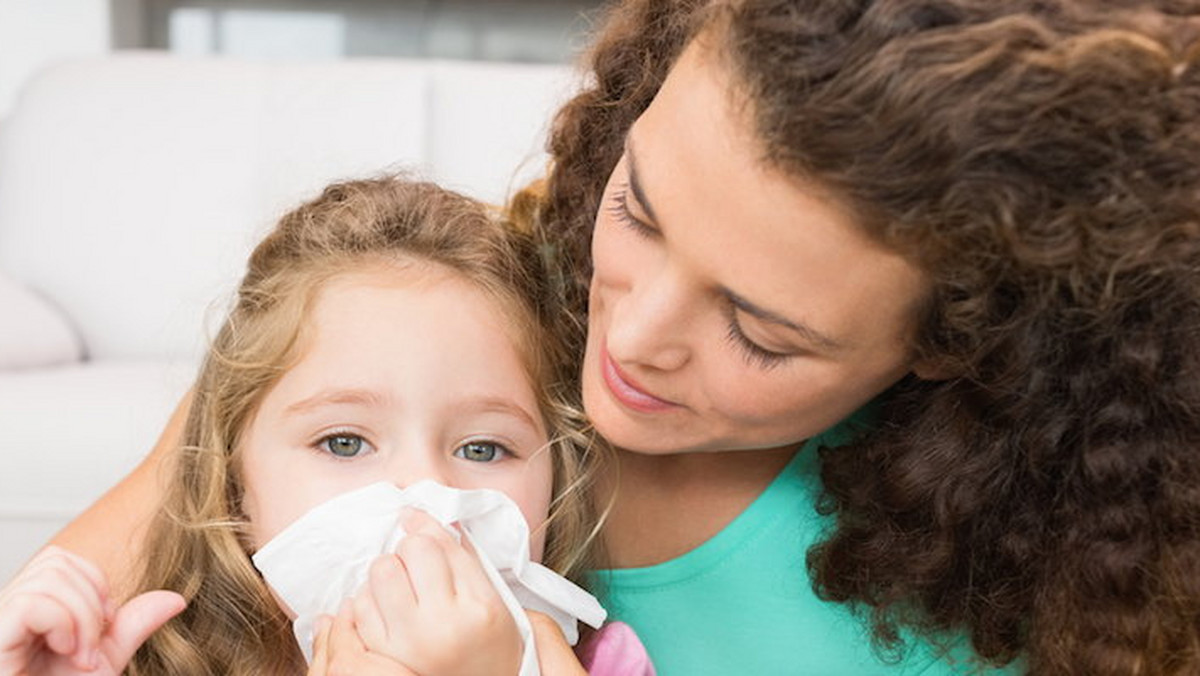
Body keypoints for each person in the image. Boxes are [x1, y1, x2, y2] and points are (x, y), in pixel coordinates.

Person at [17, 0, 1200, 673]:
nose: (627, 332)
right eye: (639, 205)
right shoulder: (482, 298)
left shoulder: (1042, 624)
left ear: (959, 337)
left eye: (758, 328)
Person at [0, 177, 614, 674]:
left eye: (483, 448)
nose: (423, 501)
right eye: (344, 443)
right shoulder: (143, 658)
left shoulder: (598, 660)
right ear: (234, 484)